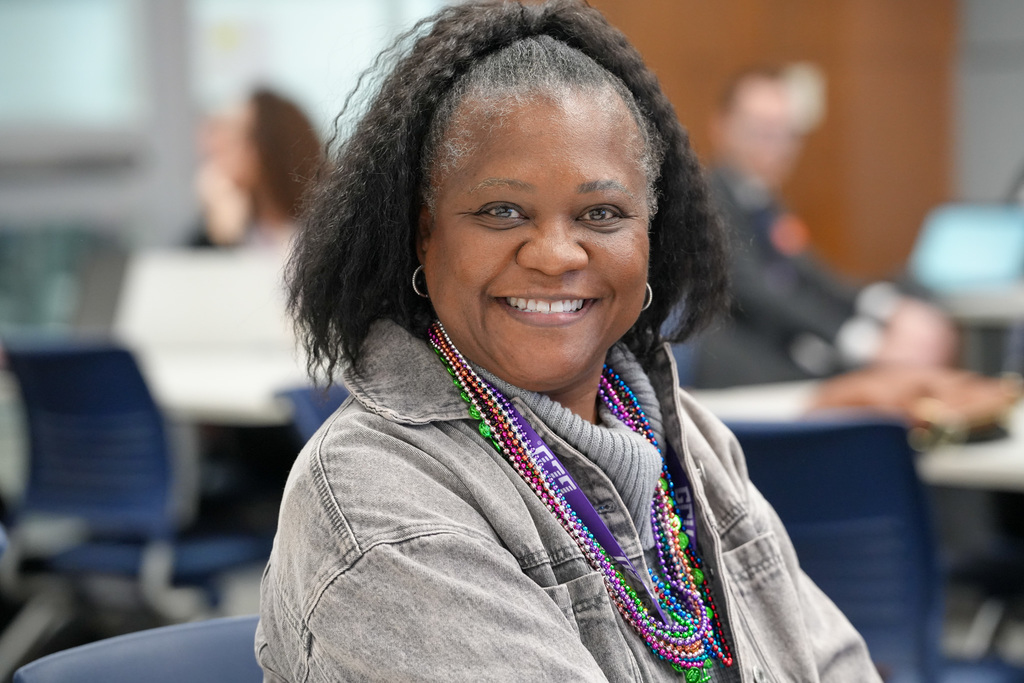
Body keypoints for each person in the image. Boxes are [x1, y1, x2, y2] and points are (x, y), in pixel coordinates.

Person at [257, 3, 880, 681]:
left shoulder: (689, 439)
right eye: (502, 211)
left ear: (651, 236)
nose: (555, 254)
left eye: (602, 213)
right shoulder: (375, 496)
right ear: (423, 234)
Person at [693, 67, 959, 388]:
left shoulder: (761, 200)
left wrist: (887, 309)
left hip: (784, 355)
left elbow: (809, 275)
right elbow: (755, 294)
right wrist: (863, 343)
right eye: (761, 131)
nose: (775, 147)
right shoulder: (706, 201)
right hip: (742, 372)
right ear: (721, 127)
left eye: (786, 133)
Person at [190, 88, 322, 255]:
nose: (217, 147)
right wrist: (222, 235)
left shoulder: (325, 226)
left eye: (235, 135)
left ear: (271, 147)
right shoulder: (234, 220)